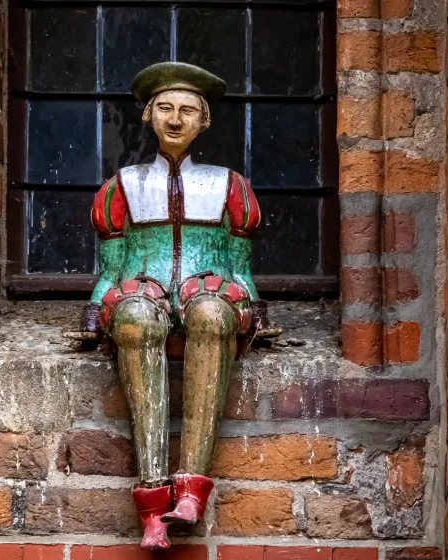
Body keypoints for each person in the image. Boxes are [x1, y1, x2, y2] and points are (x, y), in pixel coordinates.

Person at [77, 61, 269, 549]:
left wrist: (250, 299)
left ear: (204, 121)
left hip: (208, 288)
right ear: (147, 115)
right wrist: (97, 304)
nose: (176, 119)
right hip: (142, 287)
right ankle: (152, 500)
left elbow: (239, 261)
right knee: (137, 320)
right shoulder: (125, 184)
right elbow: (111, 264)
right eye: (165, 108)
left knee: (210, 314)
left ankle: (192, 488)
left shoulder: (227, 185)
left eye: (188, 111)